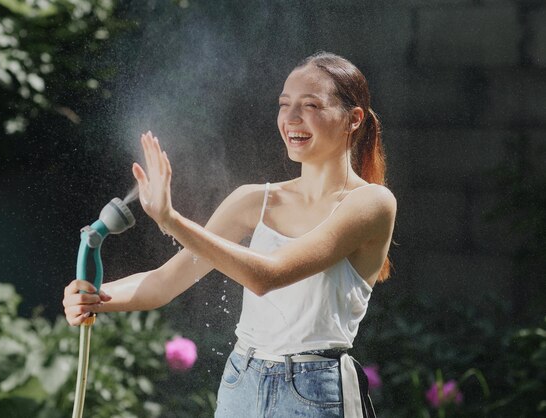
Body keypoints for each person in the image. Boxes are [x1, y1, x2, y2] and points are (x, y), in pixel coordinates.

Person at [63, 51, 396, 418]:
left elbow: (268, 275)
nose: (292, 118)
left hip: (315, 389)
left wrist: (171, 220)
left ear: (353, 119)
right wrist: (95, 298)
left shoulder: (372, 203)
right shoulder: (254, 200)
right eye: (284, 105)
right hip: (242, 381)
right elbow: (163, 283)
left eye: (311, 105)